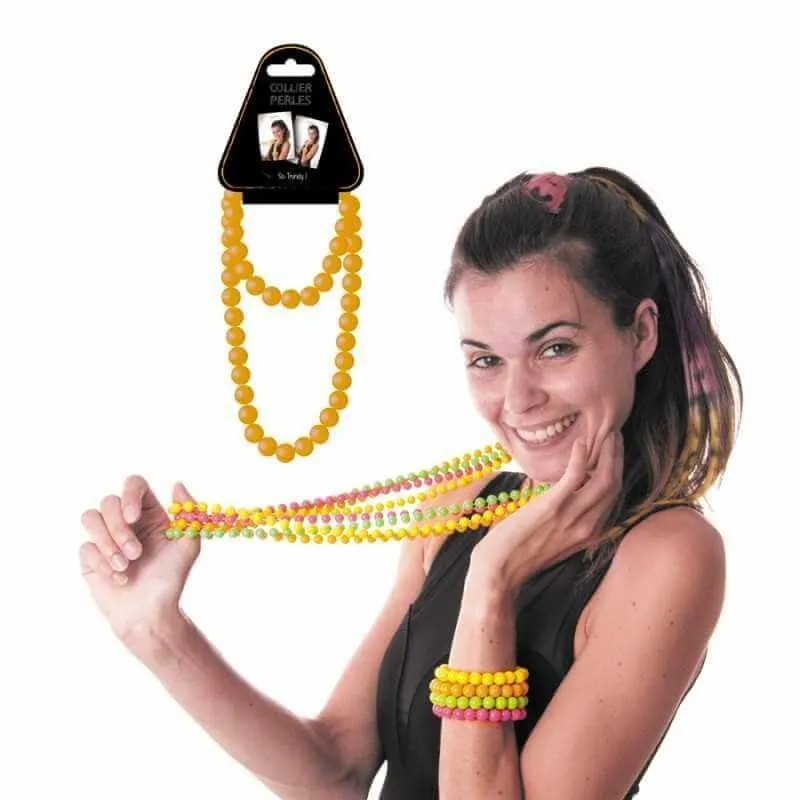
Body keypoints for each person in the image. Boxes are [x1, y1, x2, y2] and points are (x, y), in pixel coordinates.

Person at [79, 167, 741, 799]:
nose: (518, 400)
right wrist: (156, 632)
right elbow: (335, 772)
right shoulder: (459, 507)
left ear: (641, 334)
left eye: (555, 348)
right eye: (486, 360)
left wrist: (491, 585)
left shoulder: (670, 555)